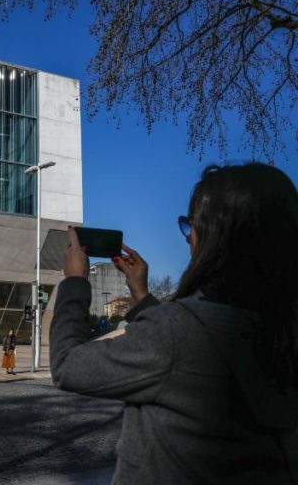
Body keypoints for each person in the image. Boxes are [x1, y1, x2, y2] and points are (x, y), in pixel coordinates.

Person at [51, 163, 298, 484]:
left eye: (191, 225)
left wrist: (75, 282)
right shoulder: (283, 330)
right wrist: (141, 296)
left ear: (215, 236)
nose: (187, 239)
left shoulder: (176, 334)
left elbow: (68, 366)